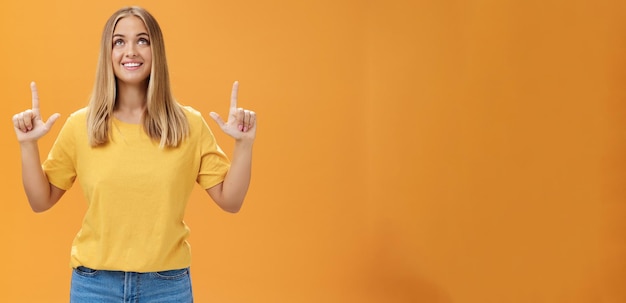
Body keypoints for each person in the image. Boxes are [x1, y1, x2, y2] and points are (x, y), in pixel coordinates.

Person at [11, 6, 256, 302]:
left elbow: (231, 201)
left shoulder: (187, 125)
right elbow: (40, 201)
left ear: (157, 50)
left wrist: (244, 144)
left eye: (142, 40)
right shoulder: (82, 126)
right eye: (119, 41)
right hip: (95, 286)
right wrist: (28, 145)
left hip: (167, 286)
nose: (131, 51)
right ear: (108, 52)